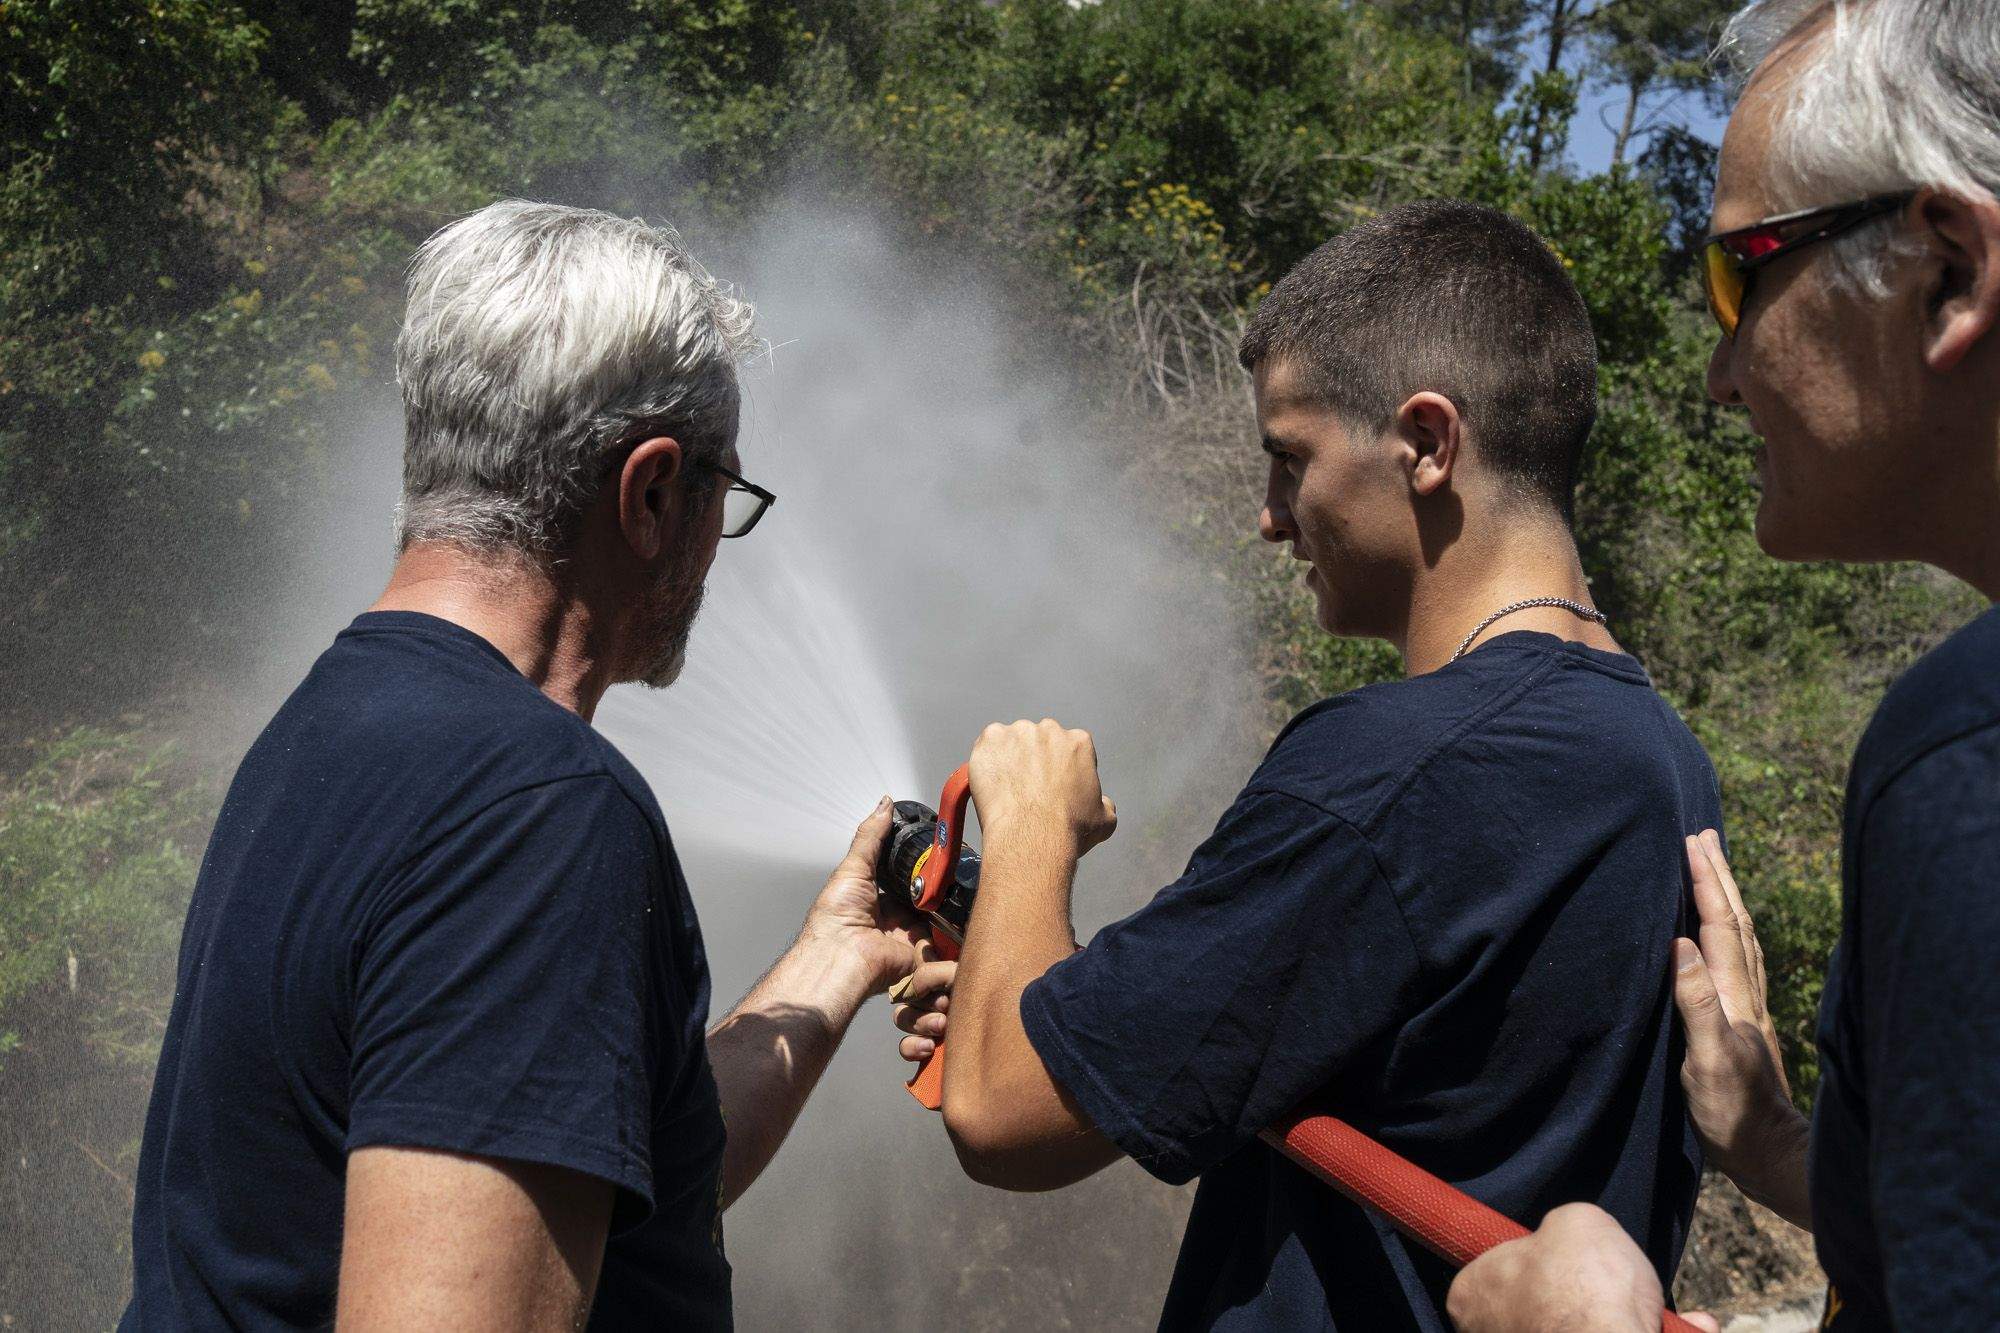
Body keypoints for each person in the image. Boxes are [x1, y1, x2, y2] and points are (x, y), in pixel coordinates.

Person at [893, 200, 1723, 1329]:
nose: (1271, 517)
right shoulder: (1660, 759)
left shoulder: (1396, 766)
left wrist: (1033, 825)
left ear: (1425, 443)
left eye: (1290, 458)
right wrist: (1048, 995)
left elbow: (1002, 1114)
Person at [121, 200, 922, 1329]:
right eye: (722, 493)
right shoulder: (537, 817)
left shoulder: (324, 732)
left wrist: (837, 954)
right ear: (651, 492)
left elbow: (584, 1179)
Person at [1445, 1, 2000, 1329]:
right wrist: (1779, 1145)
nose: (1719, 371)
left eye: (1739, 278)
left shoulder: (1964, 760)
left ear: (1948, 270)